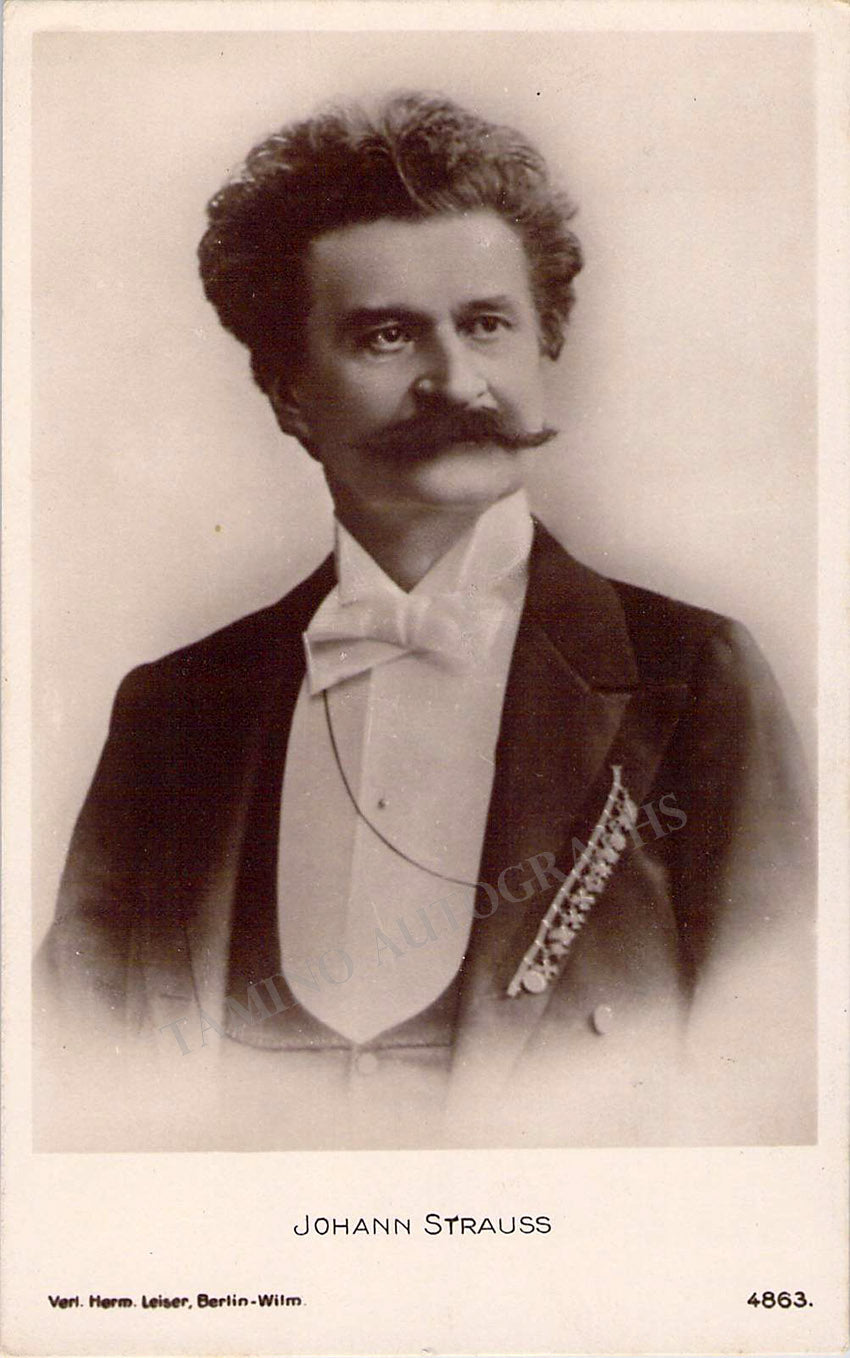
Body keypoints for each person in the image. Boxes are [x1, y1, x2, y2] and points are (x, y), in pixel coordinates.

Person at [35, 92, 815, 1150]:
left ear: (543, 348)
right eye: (388, 335)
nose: (455, 381)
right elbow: (69, 1086)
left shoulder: (691, 674)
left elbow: (771, 1083)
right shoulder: (174, 707)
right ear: (289, 394)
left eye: (487, 324)